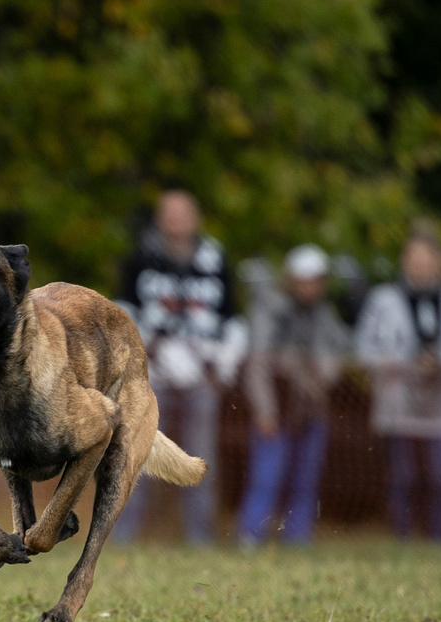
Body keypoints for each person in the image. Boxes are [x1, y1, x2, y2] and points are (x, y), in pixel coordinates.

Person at [113, 187, 243, 545]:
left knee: (199, 457)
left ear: (195, 217)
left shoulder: (215, 260)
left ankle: (200, 538)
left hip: (202, 375)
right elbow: (121, 314)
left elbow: (232, 319)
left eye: (183, 213)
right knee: (135, 453)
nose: (176, 222)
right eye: (169, 214)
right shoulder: (141, 258)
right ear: (160, 219)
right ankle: (120, 536)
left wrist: (223, 366)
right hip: (152, 377)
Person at [356, 220, 441, 542]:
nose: (420, 267)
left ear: (439, 262)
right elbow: (363, 349)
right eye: (414, 260)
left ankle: (440, 538)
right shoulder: (383, 299)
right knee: (403, 476)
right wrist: (393, 363)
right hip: (398, 397)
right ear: (404, 262)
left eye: (426, 260)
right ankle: (403, 537)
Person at [236, 244, 349, 547]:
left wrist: (319, 373)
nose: (311, 287)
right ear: (291, 279)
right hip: (277, 410)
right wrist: (264, 410)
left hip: (311, 409)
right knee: (267, 477)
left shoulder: (324, 314)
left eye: (317, 280)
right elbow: (258, 365)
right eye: (305, 280)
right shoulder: (269, 310)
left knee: (305, 479)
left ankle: (298, 536)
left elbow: (337, 355)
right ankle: (251, 535)